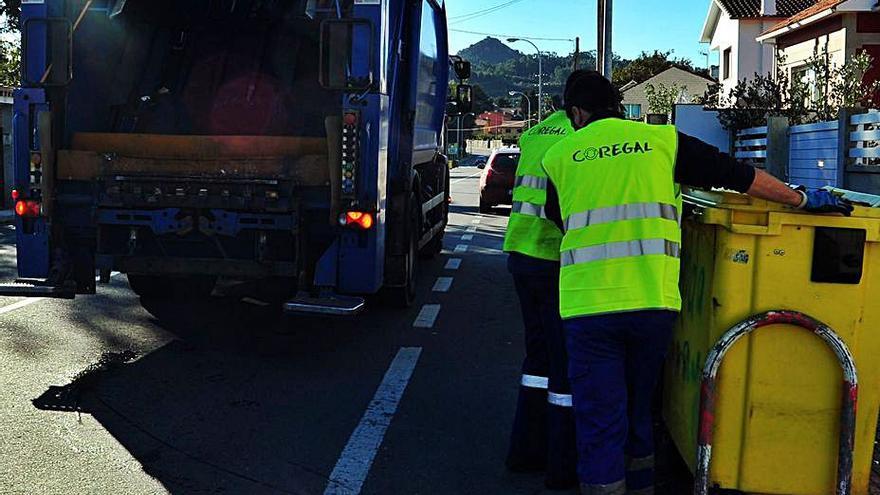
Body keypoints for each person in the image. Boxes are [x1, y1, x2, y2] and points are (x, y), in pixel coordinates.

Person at [540, 70, 852, 495]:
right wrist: (801, 198)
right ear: (617, 105)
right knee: (640, 408)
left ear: (576, 112)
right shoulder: (663, 141)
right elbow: (739, 175)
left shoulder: (559, 155)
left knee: (599, 419)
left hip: (587, 310)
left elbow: (558, 220)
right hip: (654, 303)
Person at [502, 110, 577, 489]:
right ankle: (560, 463)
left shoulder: (534, 133)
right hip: (552, 257)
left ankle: (524, 450)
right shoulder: (575, 139)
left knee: (537, 358)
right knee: (564, 360)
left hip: (522, 254)